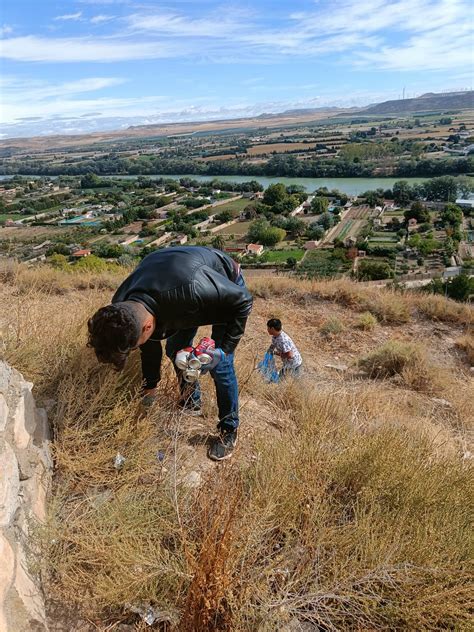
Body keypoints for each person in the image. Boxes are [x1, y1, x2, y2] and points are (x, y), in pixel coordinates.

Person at [87, 246, 253, 461]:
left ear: (147, 327)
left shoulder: (193, 291)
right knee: (176, 350)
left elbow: (243, 301)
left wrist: (225, 349)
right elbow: (150, 348)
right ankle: (190, 401)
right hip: (176, 294)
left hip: (223, 290)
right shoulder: (124, 308)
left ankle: (228, 430)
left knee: (220, 366)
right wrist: (150, 386)